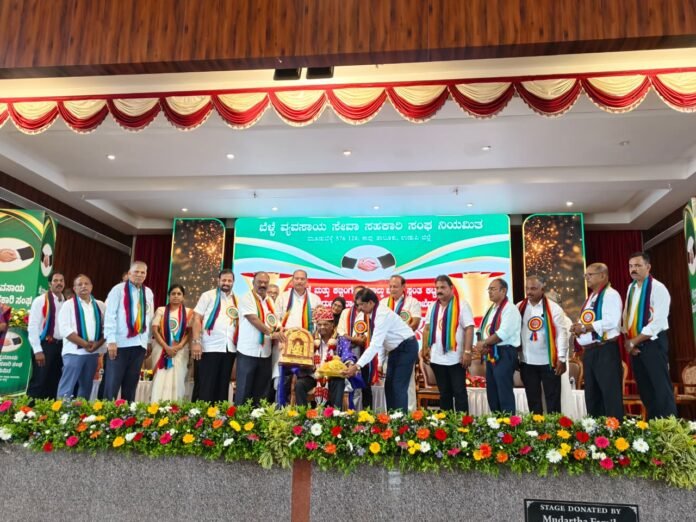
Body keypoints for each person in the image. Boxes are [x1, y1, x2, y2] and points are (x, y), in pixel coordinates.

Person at [343, 288, 418, 411]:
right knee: (389, 387)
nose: (359, 308)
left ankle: (401, 420)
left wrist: (357, 366)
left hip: (406, 348)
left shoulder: (382, 315)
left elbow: (375, 345)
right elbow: (384, 341)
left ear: (371, 302)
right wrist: (380, 362)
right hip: (394, 350)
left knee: (398, 387)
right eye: (357, 305)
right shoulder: (373, 314)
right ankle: (392, 418)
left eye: (361, 304)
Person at [623, 252, 677, 419]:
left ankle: (670, 428)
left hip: (653, 344)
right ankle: (654, 426)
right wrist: (628, 341)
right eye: (631, 266)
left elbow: (658, 321)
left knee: (661, 388)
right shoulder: (631, 288)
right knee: (646, 390)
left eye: (638, 265)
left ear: (648, 267)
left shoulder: (658, 288)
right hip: (636, 346)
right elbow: (627, 317)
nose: (633, 269)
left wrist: (634, 341)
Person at [571, 263, 624, 420]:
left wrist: (585, 328)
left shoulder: (610, 295)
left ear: (602, 275)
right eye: (585, 275)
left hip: (605, 349)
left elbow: (612, 321)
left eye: (590, 275)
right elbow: (588, 321)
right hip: (590, 352)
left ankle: (615, 430)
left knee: (609, 394)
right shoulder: (591, 298)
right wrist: (578, 328)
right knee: (592, 396)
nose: (586, 278)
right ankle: (596, 431)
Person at [421, 275, 474, 411]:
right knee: (444, 394)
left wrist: (467, 352)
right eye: (437, 288)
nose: (439, 290)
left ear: (451, 288)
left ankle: (463, 422)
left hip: (456, 359)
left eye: (443, 287)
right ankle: (447, 422)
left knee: (459, 392)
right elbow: (427, 328)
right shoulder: (433, 306)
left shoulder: (461, 305)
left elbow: (469, 328)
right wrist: (424, 348)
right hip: (437, 358)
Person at [516, 275, 568, 414]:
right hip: (527, 362)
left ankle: (554, 427)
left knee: (553, 401)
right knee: (533, 400)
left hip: (549, 362)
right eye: (527, 288)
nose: (529, 292)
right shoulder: (519, 307)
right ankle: (536, 426)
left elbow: (562, 334)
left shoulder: (554, 308)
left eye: (533, 288)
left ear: (542, 289)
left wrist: (561, 358)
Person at [103, 261, 154, 401]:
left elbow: (149, 318)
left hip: (139, 344)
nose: (139, 275)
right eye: (136, 271)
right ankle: (106, 412)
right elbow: (110, 316)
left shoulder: (148, 292)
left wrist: (148, 341)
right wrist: (111, 341)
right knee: (112, 384)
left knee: (131, 386)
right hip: (120, 344)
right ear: (129, 273)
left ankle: (127, 413)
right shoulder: (118, 290)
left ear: (146, 275)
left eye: (143, 272)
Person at [235, 272, 285, 405]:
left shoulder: (269, 301)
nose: (262, 285)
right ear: (253, 283)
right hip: (248, 351)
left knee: (261, 391)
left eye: (265, 282)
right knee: (244, 390)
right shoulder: (246, 297)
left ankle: (258, 416)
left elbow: (274, 320)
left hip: (265, 352)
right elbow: (253, 319)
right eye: (259, 282)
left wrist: (280, 330)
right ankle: (240, 416)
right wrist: (272, 333)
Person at [474, 278, 521, 414]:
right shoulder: (491, 309)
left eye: (493, 289)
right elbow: (481, 330)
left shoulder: (510, 309)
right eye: (489, 289)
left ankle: (508, 423)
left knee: (503, 391)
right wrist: (481, 345)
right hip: (491, 352)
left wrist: (484, 343)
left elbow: (502, 334)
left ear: (503, 291)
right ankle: (496, 422)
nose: (490, 292)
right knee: (493, 392)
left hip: (504, 353)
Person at [190, 271, 238, 403]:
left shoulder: (237, 300)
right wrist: (196, 341)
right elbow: (196, 318)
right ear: (218, 280)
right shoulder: (208, 295)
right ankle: (203, 414)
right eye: (224, 280)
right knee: (206, 385)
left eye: (229, 281)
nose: (226, 283)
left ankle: (219, 414)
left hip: (229, 348)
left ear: (233, 282)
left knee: (223, 386)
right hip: (209, 347)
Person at [275, 269, 322, 404]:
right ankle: (281, 407)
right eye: (296, 278)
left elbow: (319, 322)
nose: (299, 281)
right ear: (292, 280)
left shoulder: (315, 299)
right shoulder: (283, 297)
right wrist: (281, 330)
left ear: (307, 281)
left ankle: (301, 409)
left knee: (302, 379)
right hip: (286, 343)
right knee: (284, 378)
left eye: (302, 279)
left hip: (307, 346)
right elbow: (276, 318)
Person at [295, 306, 356, 407]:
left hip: (333, 376)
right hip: (314, 375)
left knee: (339, 381)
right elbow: (303, 357)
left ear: (332, 325)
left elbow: (347, 355)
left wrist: (350, 365)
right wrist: (307, 365)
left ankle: (335, 413)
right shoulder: (310, 340)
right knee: (300, 384)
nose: (322, 327)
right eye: (319, 324)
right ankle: (302, 413)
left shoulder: (340, 340)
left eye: (325, 324)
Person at [56, 275, 105, 399]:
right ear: (74, 288)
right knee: (67, 387)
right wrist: (85, 344)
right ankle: (62, 410)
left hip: (93, 353)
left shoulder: (100, 305)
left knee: (86, 387)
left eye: (86, 283)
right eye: (79, 284)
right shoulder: (68, 305)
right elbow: (64, 329)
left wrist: (97, 345)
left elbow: (108, 327)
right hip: (73, 352)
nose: (83, 286)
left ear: (91, 286)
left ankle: (80, 410)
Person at [380, 275, 422, 410]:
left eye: (396, 287)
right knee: (390, 383)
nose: (392, 289)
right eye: (390, 286)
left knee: (406, 384)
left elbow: (415, 323)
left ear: (404, 287)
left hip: (405, 347)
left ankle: (409, 415)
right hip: (388, 348)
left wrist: (399, 335)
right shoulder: (383, 303)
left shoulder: (412, 302)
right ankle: (391, 414)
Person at [27, 272, 65, 399]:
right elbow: (33, 326)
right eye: (55, 280)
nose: (59, 283)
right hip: (45, 346)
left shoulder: (65, 302)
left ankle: (47, 410)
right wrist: (37, 350)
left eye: (61, 280)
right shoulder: (40, 300)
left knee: (54, 381)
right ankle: (28, 410)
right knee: (39, 381)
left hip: (60, 346)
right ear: (50, 284)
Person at [151, 284, 192, 402]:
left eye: (179, 294)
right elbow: (155, 330)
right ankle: (157, 405)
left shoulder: (189, 312)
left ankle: (175, 406)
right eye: (173, 294)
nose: (176, 296)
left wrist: (179, 346)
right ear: (169, 296)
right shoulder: (161, 310)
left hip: (180, 351)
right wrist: (166, 347)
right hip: (161, 349)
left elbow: (189, 332)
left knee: (178, 378)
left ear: (183, 297)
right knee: (160, 378)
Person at [337, 285, 374, 408]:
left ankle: (367, 413)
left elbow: (370, 333)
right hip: (348, 352)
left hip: (365, 352)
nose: (358, 297)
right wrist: (354, 340)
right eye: (356, 294)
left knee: (366, 384)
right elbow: (341, 332)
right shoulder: (345, 312)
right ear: (353, 297)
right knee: (350, 383)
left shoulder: (370, 313)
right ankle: (351, 411)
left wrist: (363, 339)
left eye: (361, 294)